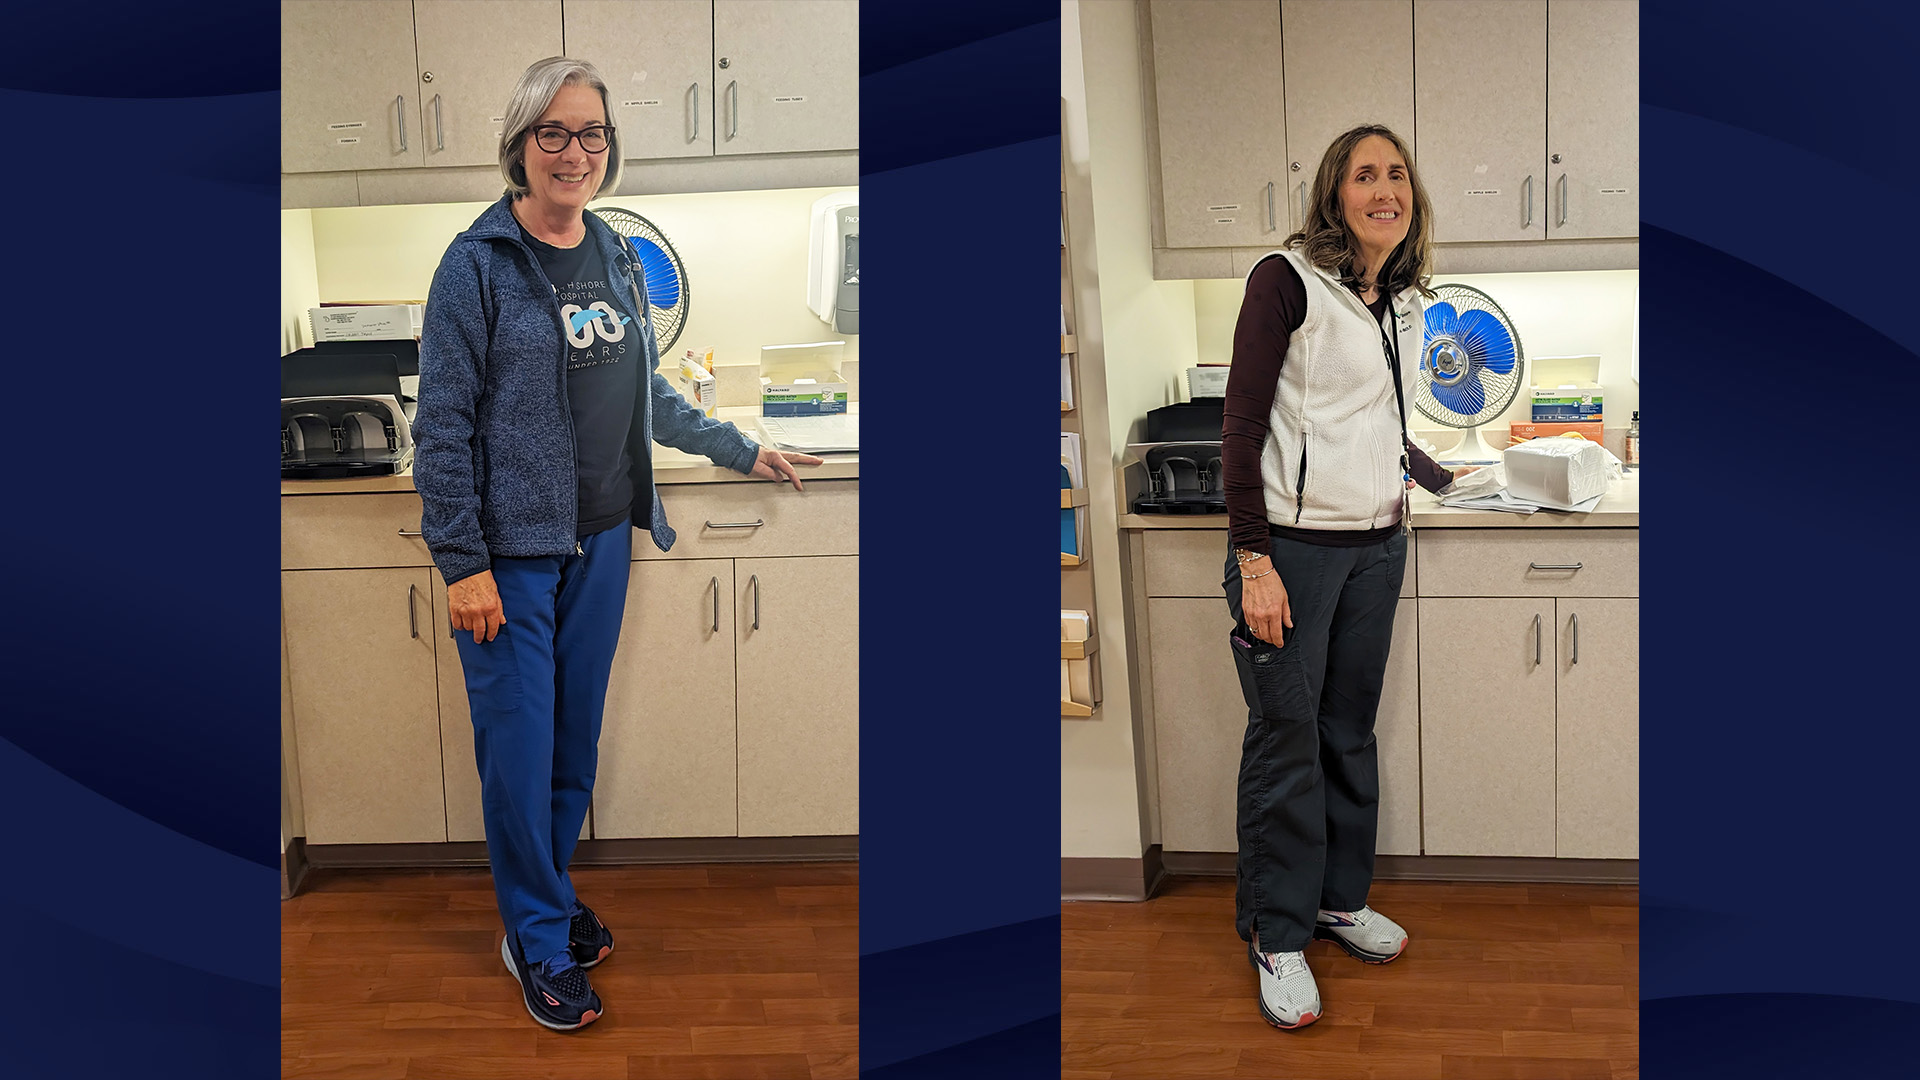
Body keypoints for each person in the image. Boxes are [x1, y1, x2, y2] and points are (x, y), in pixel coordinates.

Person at [412, 56, 820, 1033]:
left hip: (600, 545)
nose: (573, 151)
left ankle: (540, 902)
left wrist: (740, 447)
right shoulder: (474, 266)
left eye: (591, 133)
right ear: (518, 144)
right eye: (552, 132)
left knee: (567, 752)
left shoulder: (616, 257)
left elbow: (650, 394)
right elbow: (440, 424)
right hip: (510, 555)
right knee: (518, 752)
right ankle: (538, 943)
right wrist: (462, 563)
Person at [1220, 123, 1473, 1030]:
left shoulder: (1395, 297)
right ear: (1335, 194)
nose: (1385, 190)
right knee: (1287, 740)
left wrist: (1436, 474)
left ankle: (1337, 900)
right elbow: (1241, 429)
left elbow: (1371, 417)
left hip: (1378, 544)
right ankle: (1277, 936)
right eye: (1365, 175)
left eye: (1398, 174)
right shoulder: (1284, 282)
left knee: (1347, 733)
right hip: (1291, 551)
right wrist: (1254, 560)